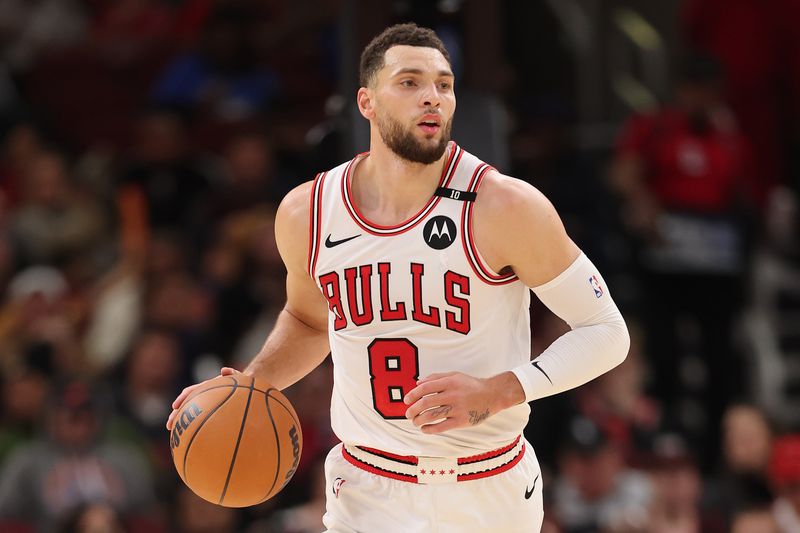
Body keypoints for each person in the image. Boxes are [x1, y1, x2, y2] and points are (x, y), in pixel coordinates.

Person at [167, 23, 629, 532]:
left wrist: (501, 391)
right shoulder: (309, 213)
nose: (431, 97)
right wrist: (251, 384)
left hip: (486, 487)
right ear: (366, 101)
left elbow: (606, 330)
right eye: (409, 82)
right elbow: (307, 320)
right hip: (367, 489)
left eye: (444, 84)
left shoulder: (504, 206)